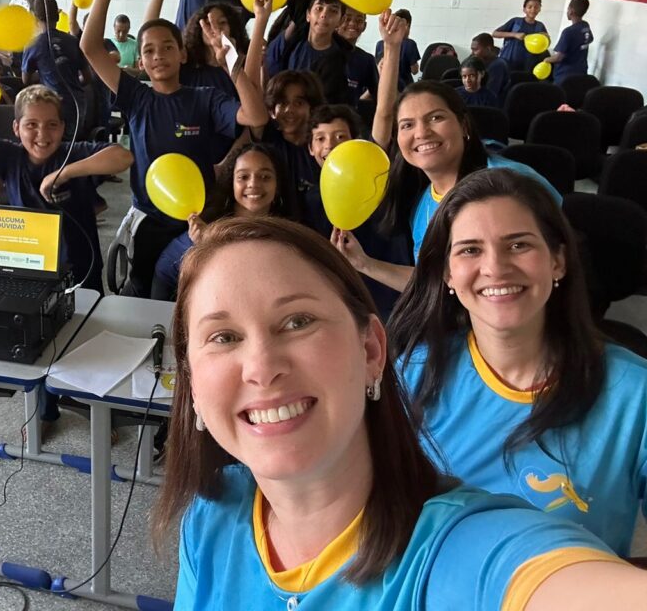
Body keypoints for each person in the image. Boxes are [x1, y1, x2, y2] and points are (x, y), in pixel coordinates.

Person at [152, 215, 647, 610]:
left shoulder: (461, 549)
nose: (261, 368)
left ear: (371, 350)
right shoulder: (211, 514)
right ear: (191, 383)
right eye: (223, 337)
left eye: (297, 321)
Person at [390, 168, 647, 556]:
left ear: (558, 261)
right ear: (447, 274)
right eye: (470, 250)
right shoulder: (412, 374)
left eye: (518, 245)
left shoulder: (634, 395)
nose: (495, 267)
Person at [80, 0, 269, 298]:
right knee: (144, 296)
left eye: (168, 46)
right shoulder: (137, 97)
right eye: (149, 50)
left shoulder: (204, 98)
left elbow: (256, 116)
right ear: (140, 61)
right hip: (148, 220)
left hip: (198, 220)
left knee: (195, 295)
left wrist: (230, 64)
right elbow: (90, 47)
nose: (158, 55)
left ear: (183, 53)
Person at [333, 12, 559, 294]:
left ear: (463, 125)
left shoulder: (511, 184)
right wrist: (364, 264)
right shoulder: (424, 205)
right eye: (407, 125)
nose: (421, 133)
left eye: (436, 118)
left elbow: (554, 268)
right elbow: (436, 283)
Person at [0, 35, 133, 295]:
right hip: (29, 267)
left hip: (79, 269)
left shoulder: (72, 153)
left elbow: (123, 157)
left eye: (52, 125)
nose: (42, 134)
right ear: (16, 128)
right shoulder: (9, 157)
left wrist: (65, 172)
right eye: (31, 125)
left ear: (63, 127)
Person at [303, 104, 410, 320]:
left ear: (355, 141)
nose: (330, 144)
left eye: (340, 136)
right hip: (343, 305)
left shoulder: (378, 183)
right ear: (310, 148)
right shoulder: (309, 201)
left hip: (392, 301)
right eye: (320, 138)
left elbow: (384, 114)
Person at [152, 142, 294, 300]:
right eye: (243, 177)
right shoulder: (208, 225)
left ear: (278, 185)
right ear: (232, 183)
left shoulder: (287, 231)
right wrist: (205, 248)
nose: (253, 184)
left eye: (265, 177)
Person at [251, 69, 325, 215]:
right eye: (282, 103)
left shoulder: (321, 148)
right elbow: (252, 88)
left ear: (312, 108)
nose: (289, 110)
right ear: (272, 110)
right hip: (273, 226)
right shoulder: (267, 138)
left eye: (298, 103)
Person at [266, 0, 353, 105]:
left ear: (341, 21)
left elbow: (327, 105)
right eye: (319, 8)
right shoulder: (293, 44)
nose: (324, 15)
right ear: (308, 15)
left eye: (333, 11)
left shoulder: (337, 61)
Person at [22, 0, 92, 138]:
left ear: (34, 18)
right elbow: (87, 78)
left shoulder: (32, 45)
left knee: (55, 146)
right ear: (59, 16)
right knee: (74, 145)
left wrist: (44, 72)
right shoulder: (73, 41)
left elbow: (25, 80)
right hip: (78, 105)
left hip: (51, 105)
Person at [542, 0, 593, 83]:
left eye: (568, 9)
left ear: (571, 11)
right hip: (581, 72)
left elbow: (558, 58)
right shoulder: (585, 26)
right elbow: (590, 39)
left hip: (565, 75)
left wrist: (546, 60)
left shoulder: (568, 32)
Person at [493, 0, 549, 72]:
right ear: (524, 9)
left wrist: (546, 38)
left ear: (539, 9)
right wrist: (514, 35)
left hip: (528, 64)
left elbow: (546, 42)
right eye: (530, 7)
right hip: (508, 60)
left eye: (536, 7)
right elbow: (495, 33)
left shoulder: (540, 26)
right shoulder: (516, 21)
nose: (533, 9)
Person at [338, 7, 380, 108]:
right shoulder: (325, 51)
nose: (352, 23)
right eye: (347, 19)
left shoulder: (366, 60)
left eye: (359, 20)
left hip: (349, 116)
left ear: (364, 26)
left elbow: (379, 96)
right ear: (337, 21)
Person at [374, 9, 420, 90]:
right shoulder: (410, 44)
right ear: (407, 25)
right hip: (404, 87)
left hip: (383, 85)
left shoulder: (380, 44)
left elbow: (377, 67)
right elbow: (414, 71)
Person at [470, 33, 511, 105]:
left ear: (488, 49)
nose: (472, 53)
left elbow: (490, 92)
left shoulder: (498, 66)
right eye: (472, 49)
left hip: (491, 105)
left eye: (475, 50)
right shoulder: (482, 62)